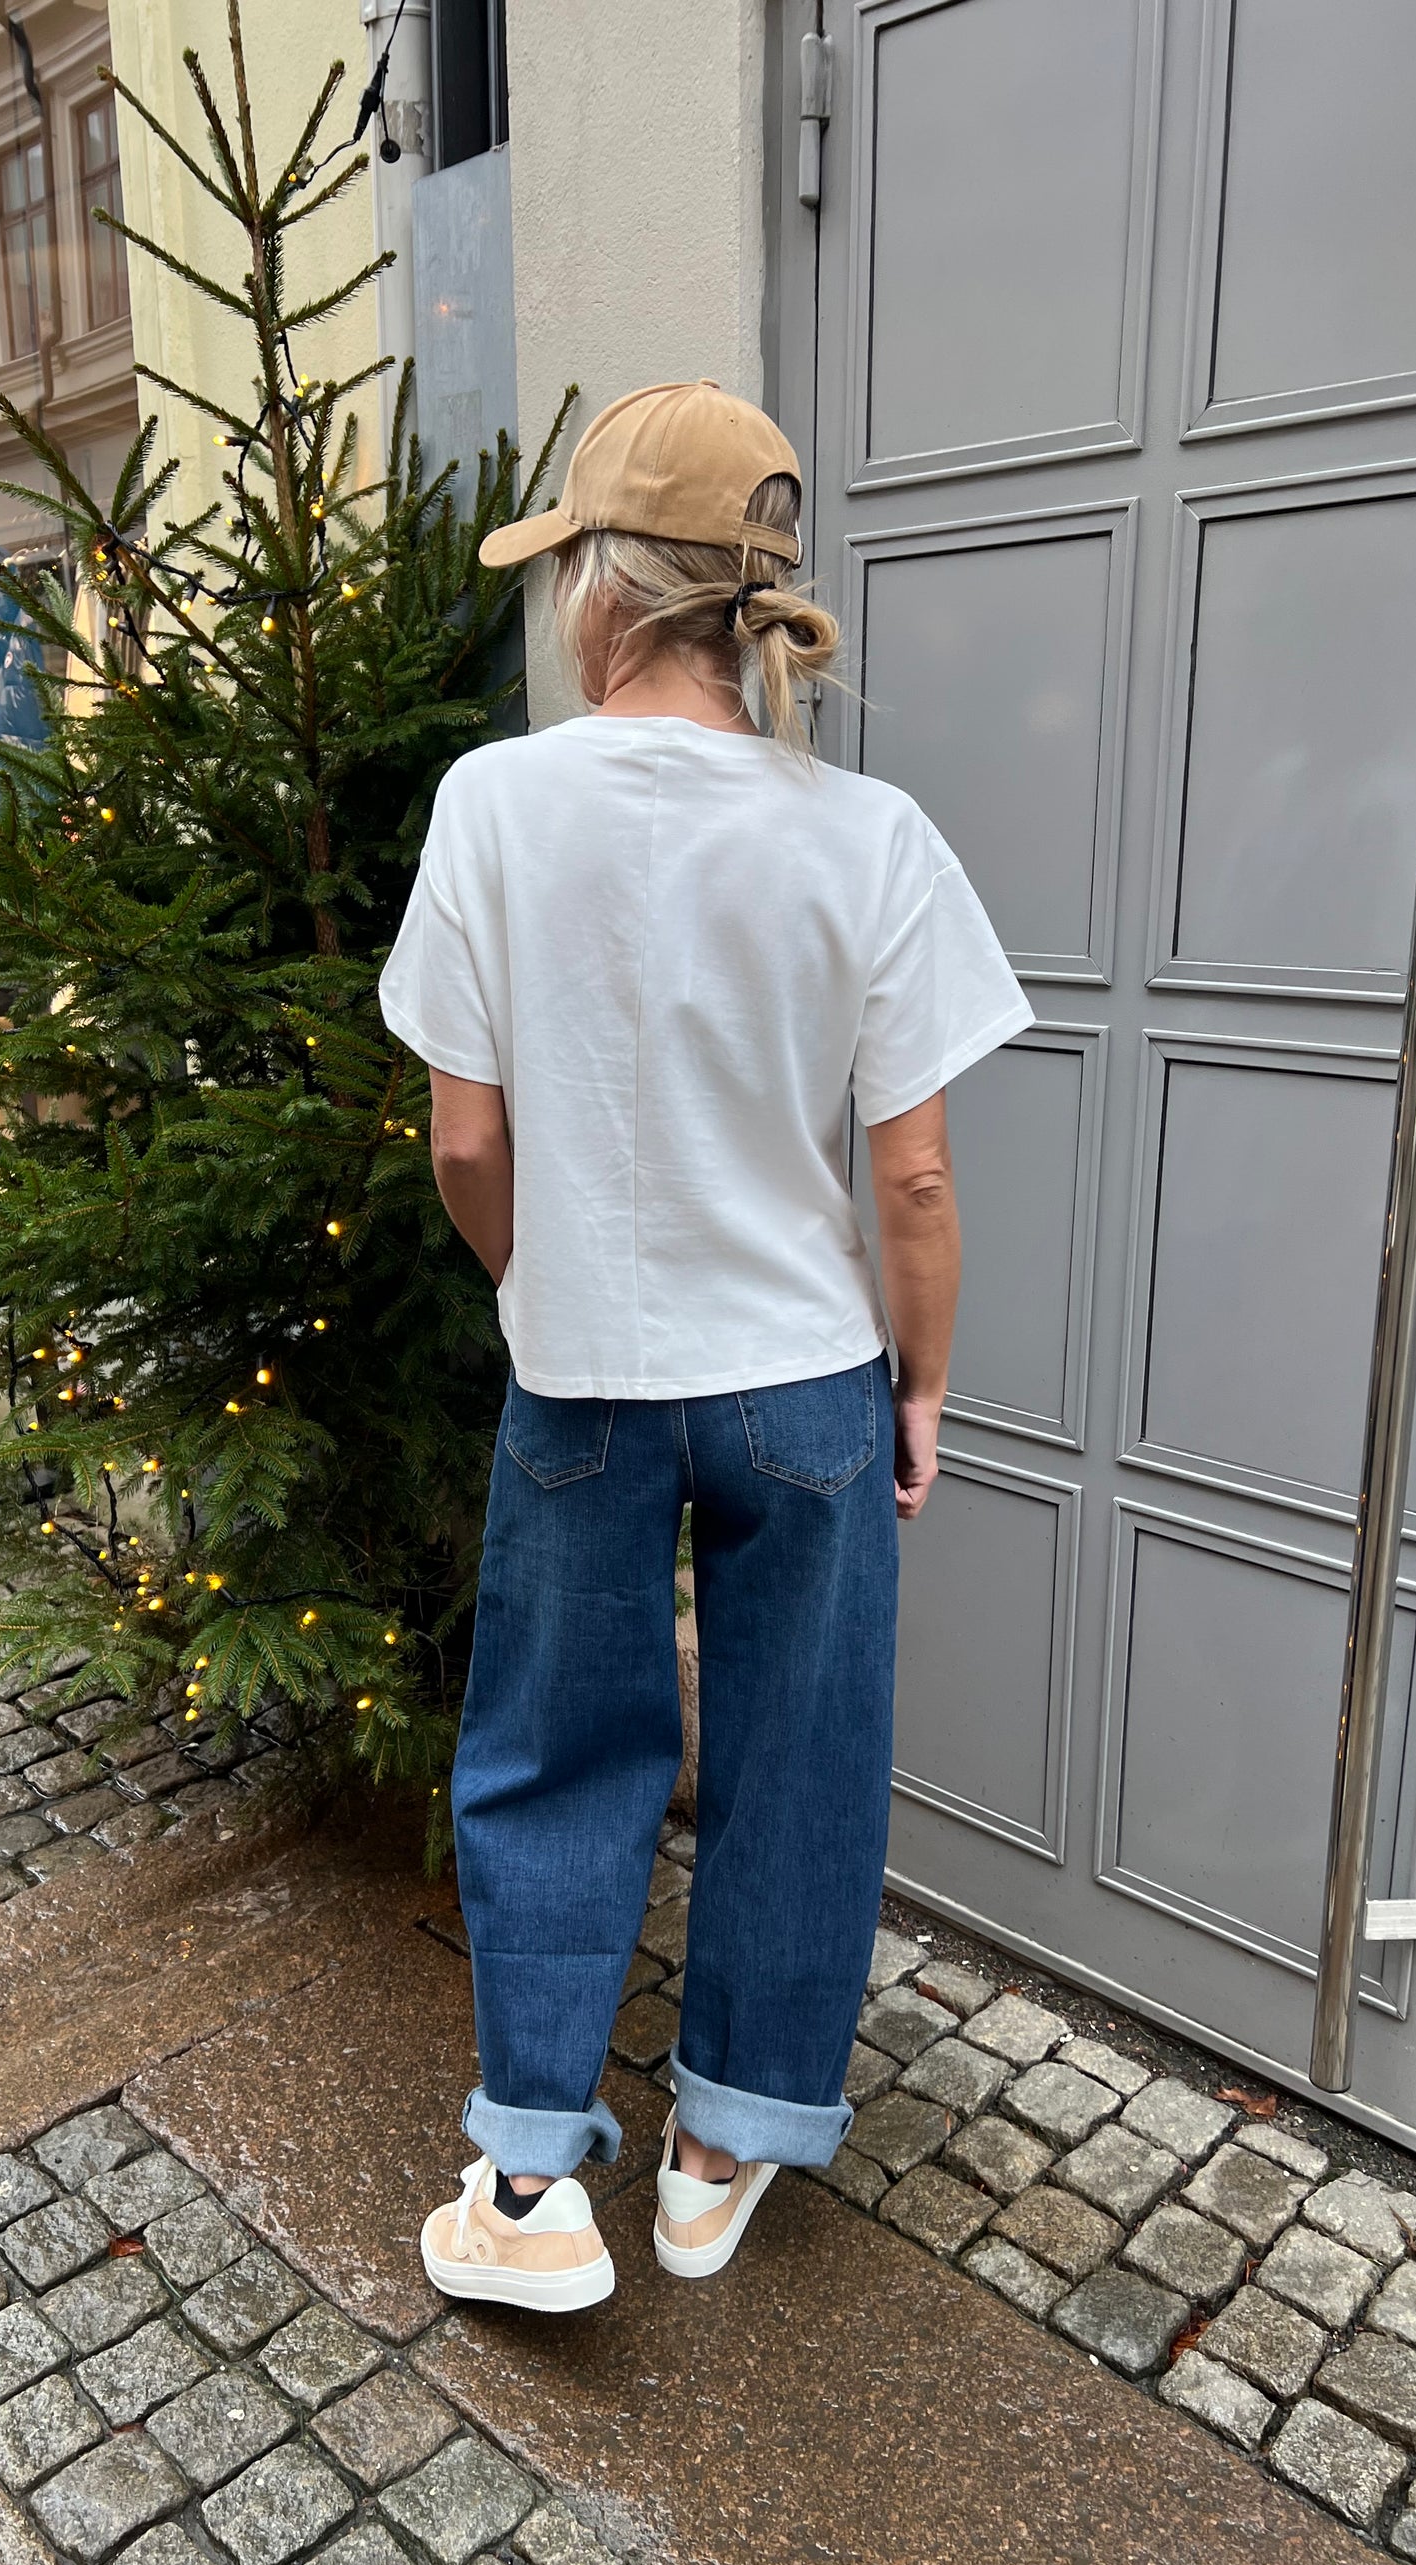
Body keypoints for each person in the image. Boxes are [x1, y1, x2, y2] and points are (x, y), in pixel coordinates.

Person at [378, 381, 1031, 2311]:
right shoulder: (870, 835)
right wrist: (922, 1381)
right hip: (805, 1378)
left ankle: (527, 2186)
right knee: (799, 1758)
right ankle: (720, 2151)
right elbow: (914, 1178)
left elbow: (465, 1143)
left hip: (583, 1373)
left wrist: (541, 1280)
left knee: (554, 1749)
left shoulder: (496, 804)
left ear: (600, 583)